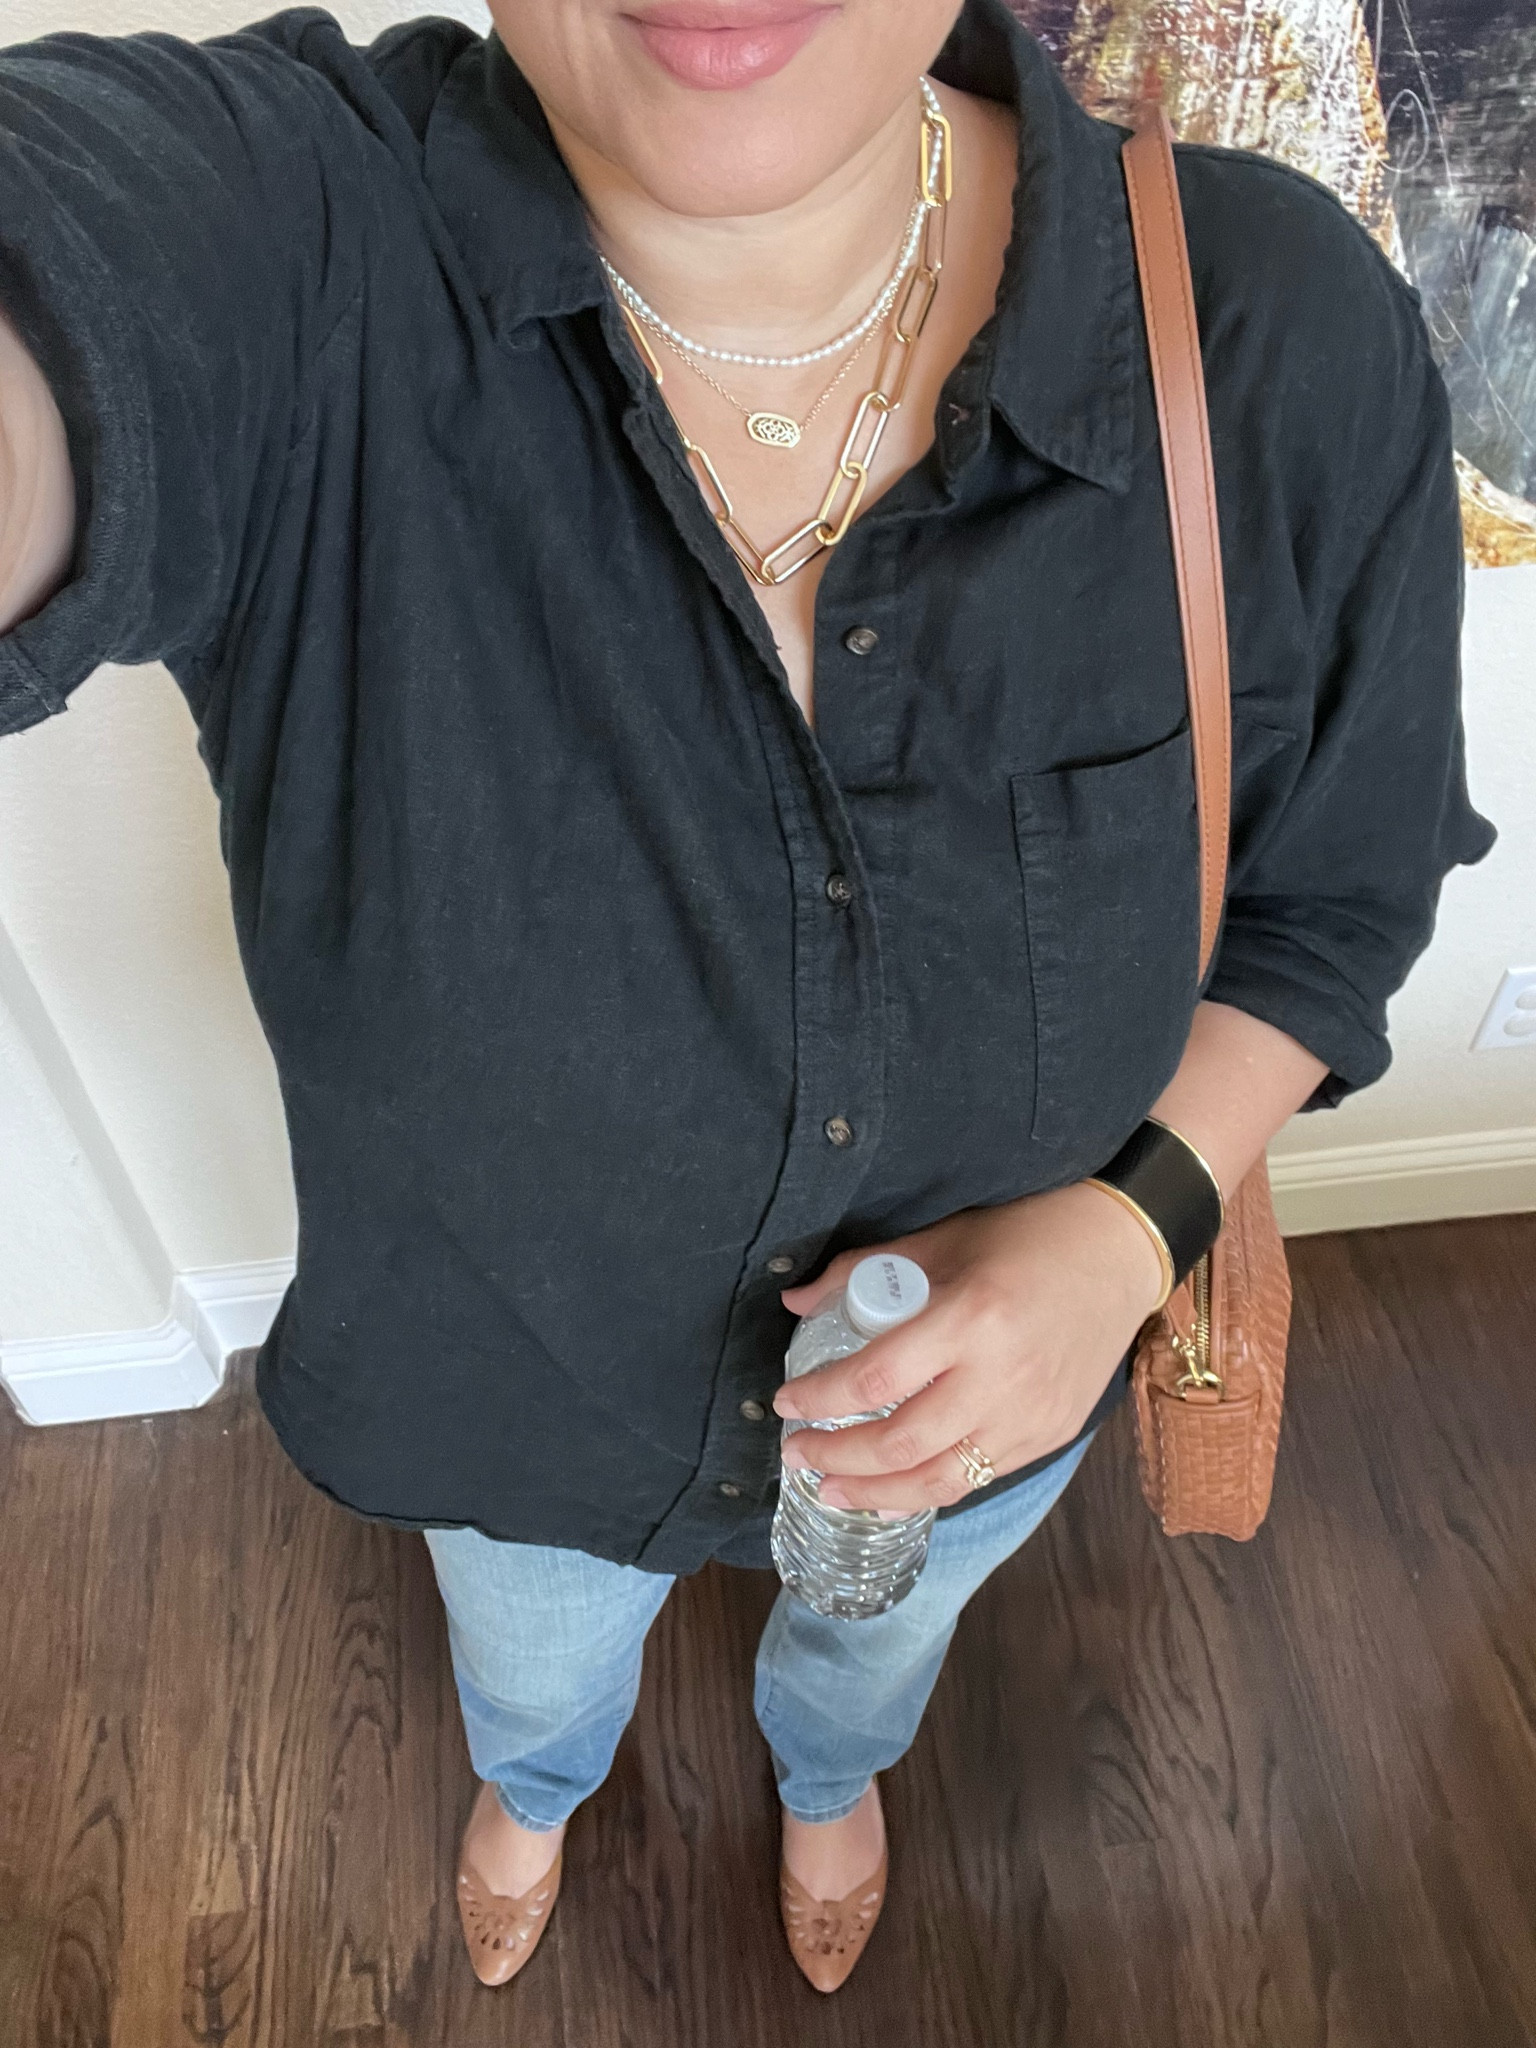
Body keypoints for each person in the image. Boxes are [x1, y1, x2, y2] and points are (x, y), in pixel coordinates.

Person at [0, 0, 1493, 1997]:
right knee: (531, 1664)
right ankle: (535, 1784)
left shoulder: (1271, 333)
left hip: (974, 1431)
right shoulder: (306, 246)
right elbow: (72, 262)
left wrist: (1125, 1240)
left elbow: (1340, 897)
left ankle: (829, 1770)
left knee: (871, 1648)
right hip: (518, 1431)